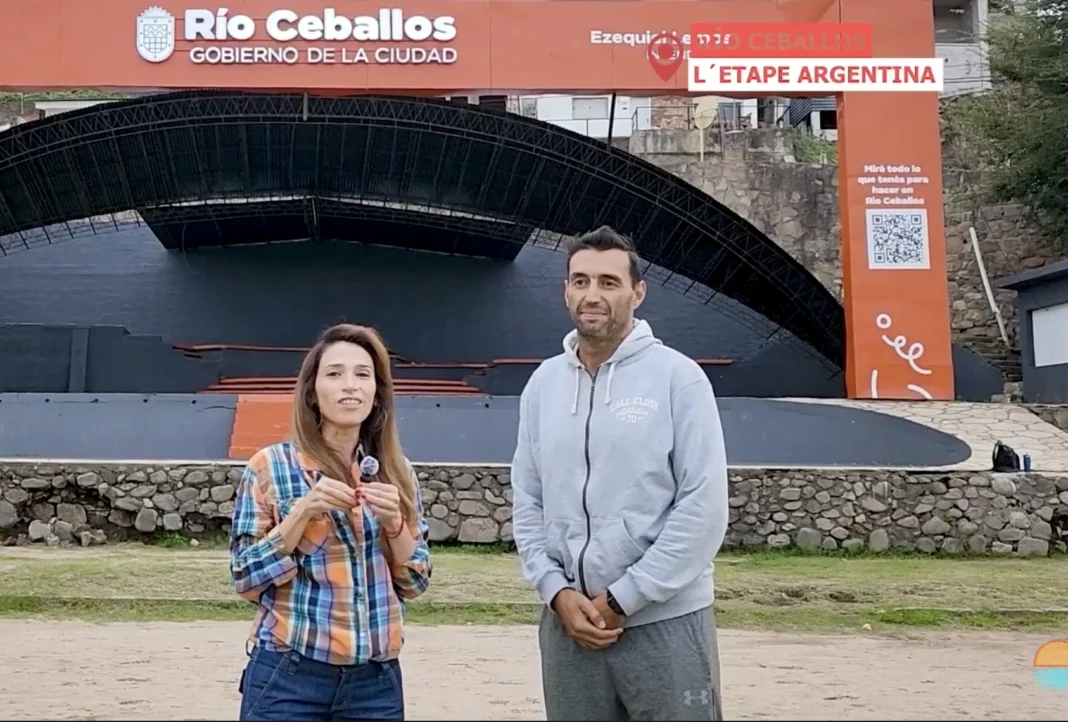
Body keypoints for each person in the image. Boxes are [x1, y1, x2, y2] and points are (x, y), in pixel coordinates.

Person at [511, 226, 729, 721]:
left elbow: (703, 507)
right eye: (581, 281)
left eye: (609, 283)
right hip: (568, 624)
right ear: (566, 290)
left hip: (664, 621)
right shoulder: (543, 386)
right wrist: (556, 592)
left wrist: (624, 598)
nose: (593, 295)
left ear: (638, 292)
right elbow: (528, 500)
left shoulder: (679, 379)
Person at [229, 323, 432, 721]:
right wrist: (301, 514)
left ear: (377, 393)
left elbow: (416, 583)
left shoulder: (398, 473)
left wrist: (394, 525)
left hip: (375, 686)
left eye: (363, 374)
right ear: (312, 391)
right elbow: (245, 578)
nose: (350, 386)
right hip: (288, 677)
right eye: (335, 374)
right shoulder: (270, 467)